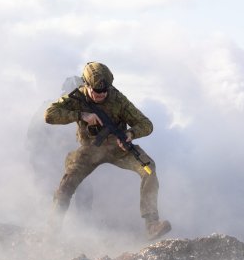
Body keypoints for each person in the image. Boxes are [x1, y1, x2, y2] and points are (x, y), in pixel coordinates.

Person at [44, 61, 171, 240]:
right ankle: (51, 231)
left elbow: (146, 124)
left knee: (149, 169)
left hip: (118, 147)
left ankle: (152, 224)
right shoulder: (76, 97)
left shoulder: (118, 99)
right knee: (66, 184)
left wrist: (131, 133)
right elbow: (49, 115)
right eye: (96, 91)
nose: (101, 95)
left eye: (105, 91)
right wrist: (81, 115)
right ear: (86, 85)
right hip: (90, 150)